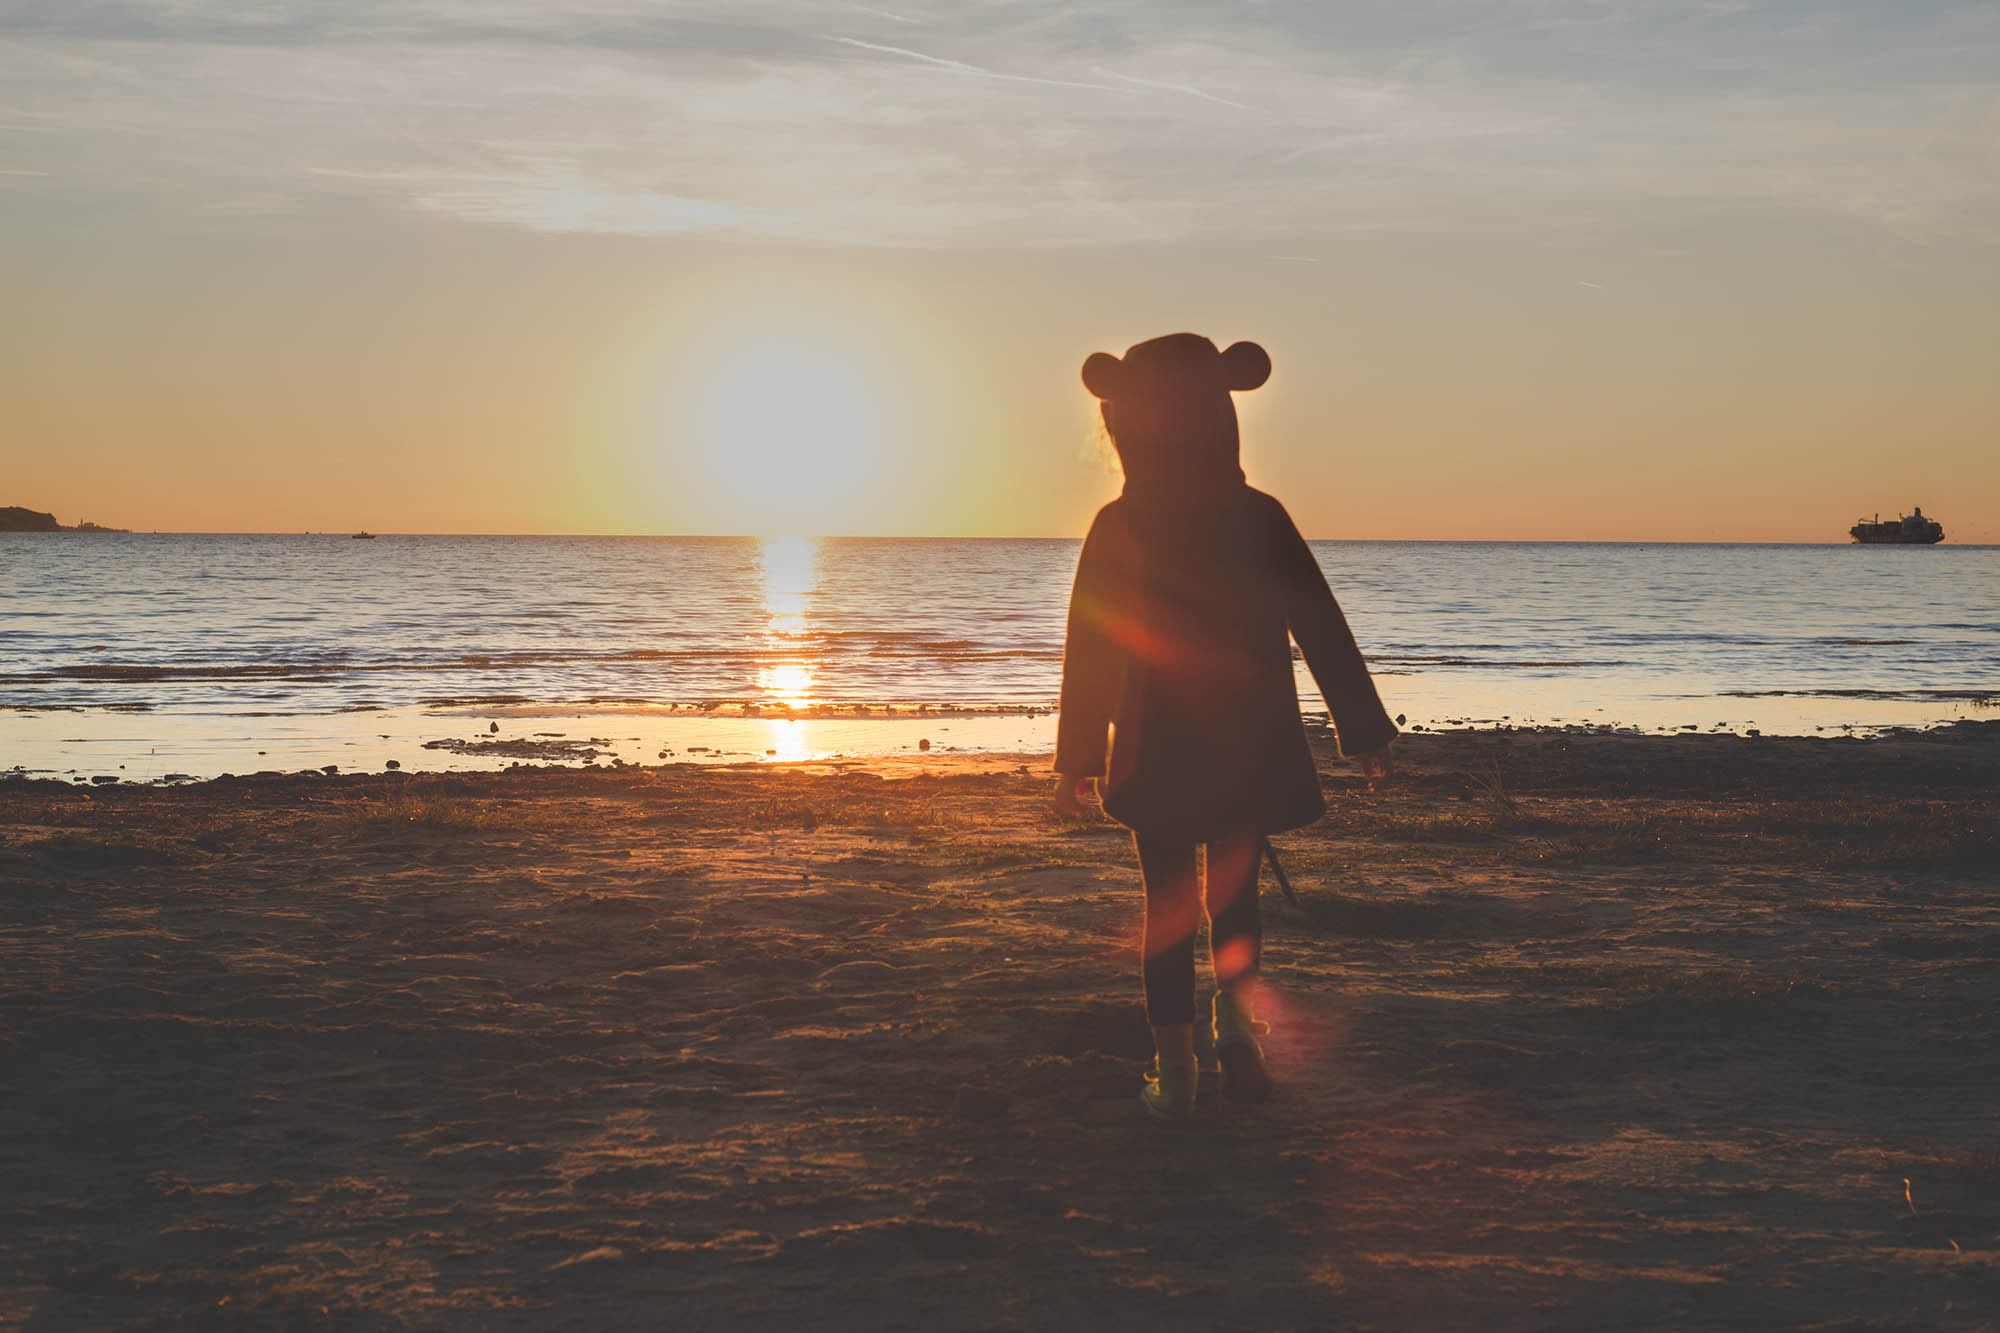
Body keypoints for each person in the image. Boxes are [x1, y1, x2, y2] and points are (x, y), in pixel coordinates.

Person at [1052, 332, 1397, 1123]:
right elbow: (1322, 627)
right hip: (1248, 742)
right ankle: (1238, 1035)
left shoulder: (1119, 521)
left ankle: (1174, 1078)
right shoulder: (1259, 515)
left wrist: (1076, 758)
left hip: (1154, 746)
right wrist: (1365, 732)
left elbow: (1092, 646)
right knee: (1236, 899)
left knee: (1166, 902)